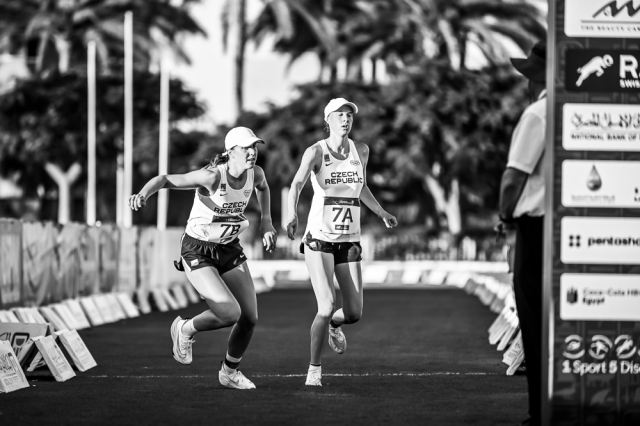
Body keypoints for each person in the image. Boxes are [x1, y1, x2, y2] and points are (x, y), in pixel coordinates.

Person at [128, 126, 277, 390]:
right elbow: (164, 179)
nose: (252, 152)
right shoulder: (212, 177)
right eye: (246, 148)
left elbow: (263, 188)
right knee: (230, 313)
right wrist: (143, 194)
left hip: (229, 247)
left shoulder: (256, 174)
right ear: (231, 151)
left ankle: (229, 372)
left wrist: (267, 221)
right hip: (197, 249)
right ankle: (185, 329)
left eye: (254, 146)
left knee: (249, 317)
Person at [286, 98, 398, 386]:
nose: (346, 119)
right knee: (325, 306)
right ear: (328, 120)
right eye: (340, 115)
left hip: (349, 241)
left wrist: (382, 213)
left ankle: (335, 325)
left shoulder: (362, 150)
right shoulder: (315, 152)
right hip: (319, 239)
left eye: (349, 115)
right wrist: (291, 214)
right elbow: (296, 184)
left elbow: (361, 187)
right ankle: (314, 370)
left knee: (354, 313)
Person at [497, 41, 547, 426]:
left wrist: (505, 214)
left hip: (536, 228)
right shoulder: (579, 111)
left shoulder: (538, 114)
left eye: (529, 75)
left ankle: (540, 411)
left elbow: (514, 177)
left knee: (534, 320)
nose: (527, 82)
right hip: (573, 227)